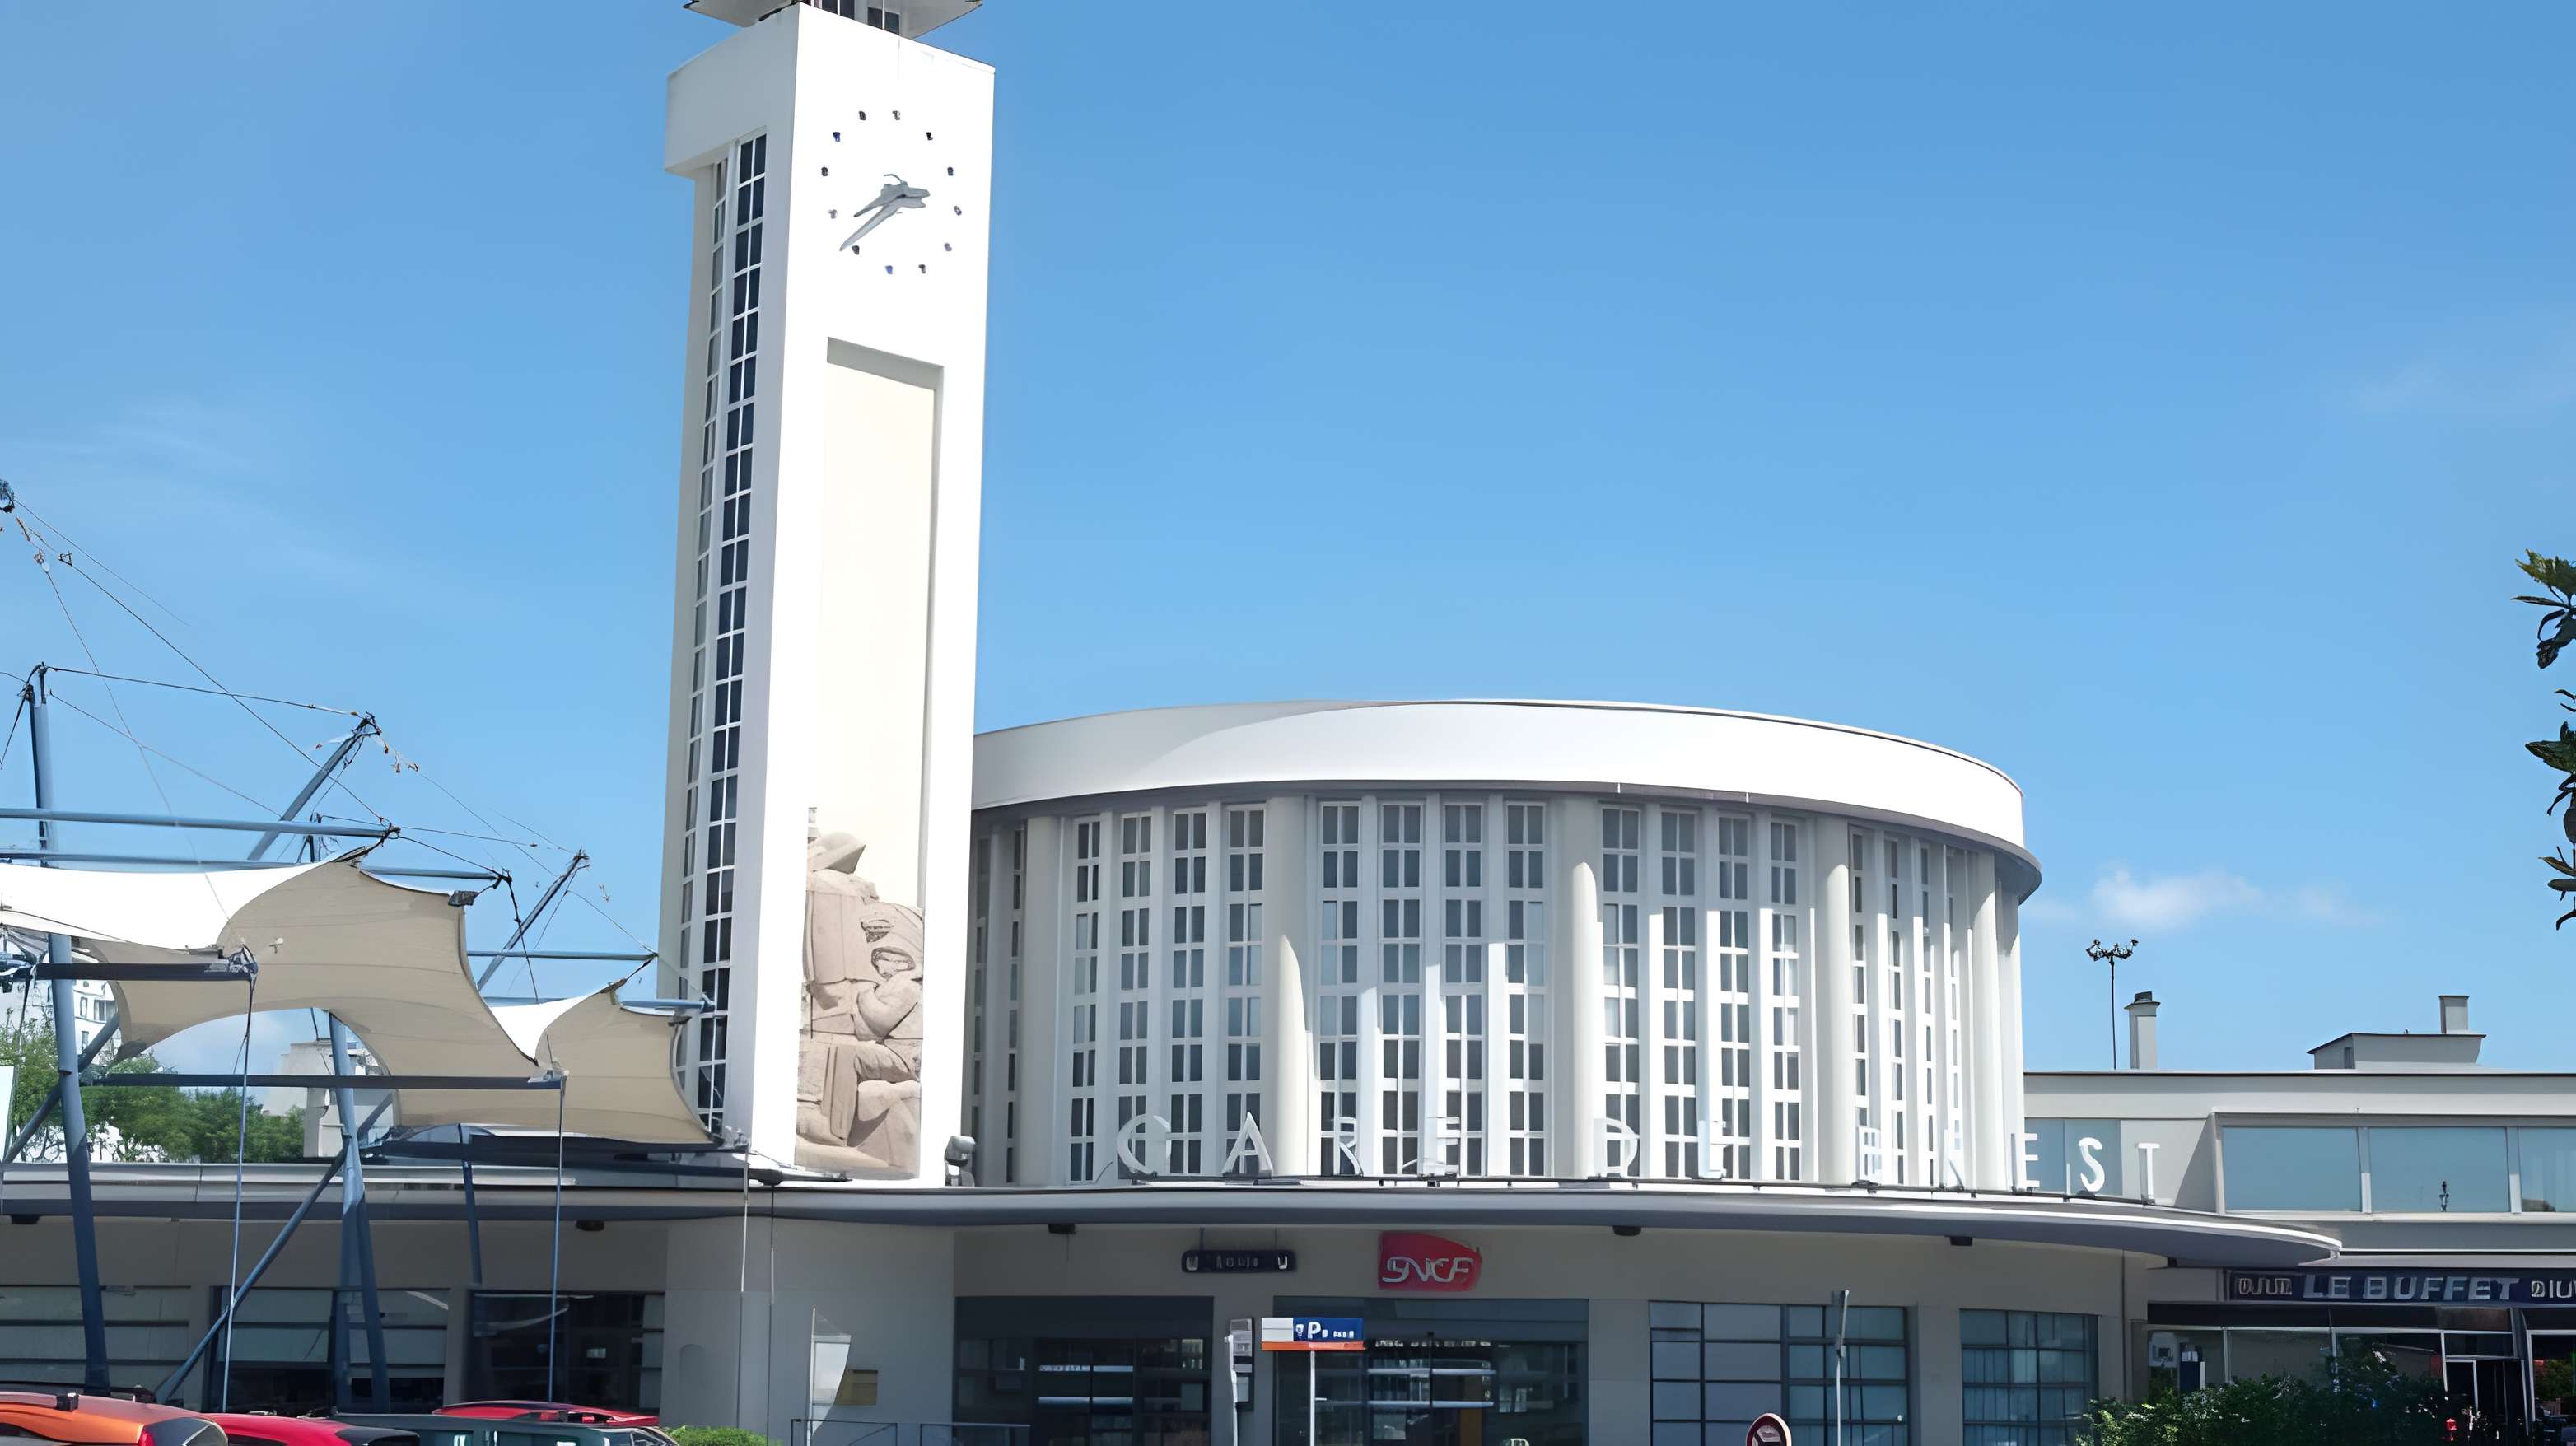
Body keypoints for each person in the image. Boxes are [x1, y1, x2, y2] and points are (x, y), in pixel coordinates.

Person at [795, 829, 924, 1174]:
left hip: (900, 1056)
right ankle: (821, 1117)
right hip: (849, 1014)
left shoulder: (906, 985)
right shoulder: (829, 887)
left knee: (841, 1052)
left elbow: (876, 1022)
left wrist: (862, 994)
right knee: (837, 1051)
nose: (880, 961)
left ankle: (825, 1120)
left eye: (886, 957)